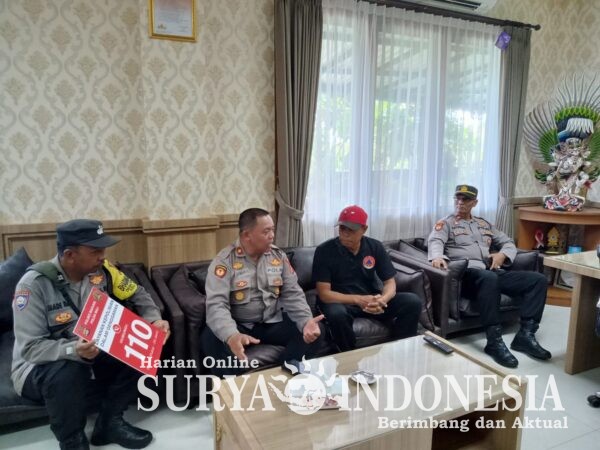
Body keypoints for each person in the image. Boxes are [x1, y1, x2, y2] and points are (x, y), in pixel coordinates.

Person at [11, 219, 170, 450]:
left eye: (103, 250)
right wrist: (73, 349)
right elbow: (31, 348)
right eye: (96, 251)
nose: (103, 257)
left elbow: (138, 294)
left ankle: (110, 422)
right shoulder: (33, 285)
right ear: (70, 255)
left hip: (92, 349)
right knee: (69, 369)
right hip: (38, 366)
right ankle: (72, 440)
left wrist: (154, 320)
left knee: (146, 347)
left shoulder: (103, 272)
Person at [428, 185, 551, 368]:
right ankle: (494, 341)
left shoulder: (484, 224)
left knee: (537, 280)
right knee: (489, 278)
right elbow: (435, 241)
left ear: (475, 202)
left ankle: (525, 335)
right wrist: (437, 257)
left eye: (465, 199)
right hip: (467, 276)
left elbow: (508, 242)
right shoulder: (445, 224)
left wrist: (502, 255)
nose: (460, 202)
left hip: (491, 273)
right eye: (457, 198)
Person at [201, 208, 324, 377]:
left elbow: (293, 294)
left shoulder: (278, 256)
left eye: (272, 230)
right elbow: (216, 305)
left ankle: (287, 368)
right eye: (266, 231)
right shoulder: (224, 262)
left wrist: (305, 321)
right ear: (247, 235)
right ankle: (235, 387)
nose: (272, 236)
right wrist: (231, 335)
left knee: (316, 331)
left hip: (271, 322)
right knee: (210, 338)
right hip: (239, 325)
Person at [312, 205, 421, 352]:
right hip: (341, 302)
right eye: (342, 228)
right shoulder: (324, 251)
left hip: (371, 301)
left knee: (412, 301)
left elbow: (390, 283)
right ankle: (349, 357)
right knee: (337, 314)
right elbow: (325, 294)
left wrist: (382, 300)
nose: (345, 234)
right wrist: (358, 300)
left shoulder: (375, 247)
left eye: (351, 230)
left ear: (364, 229)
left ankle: (401, 350)